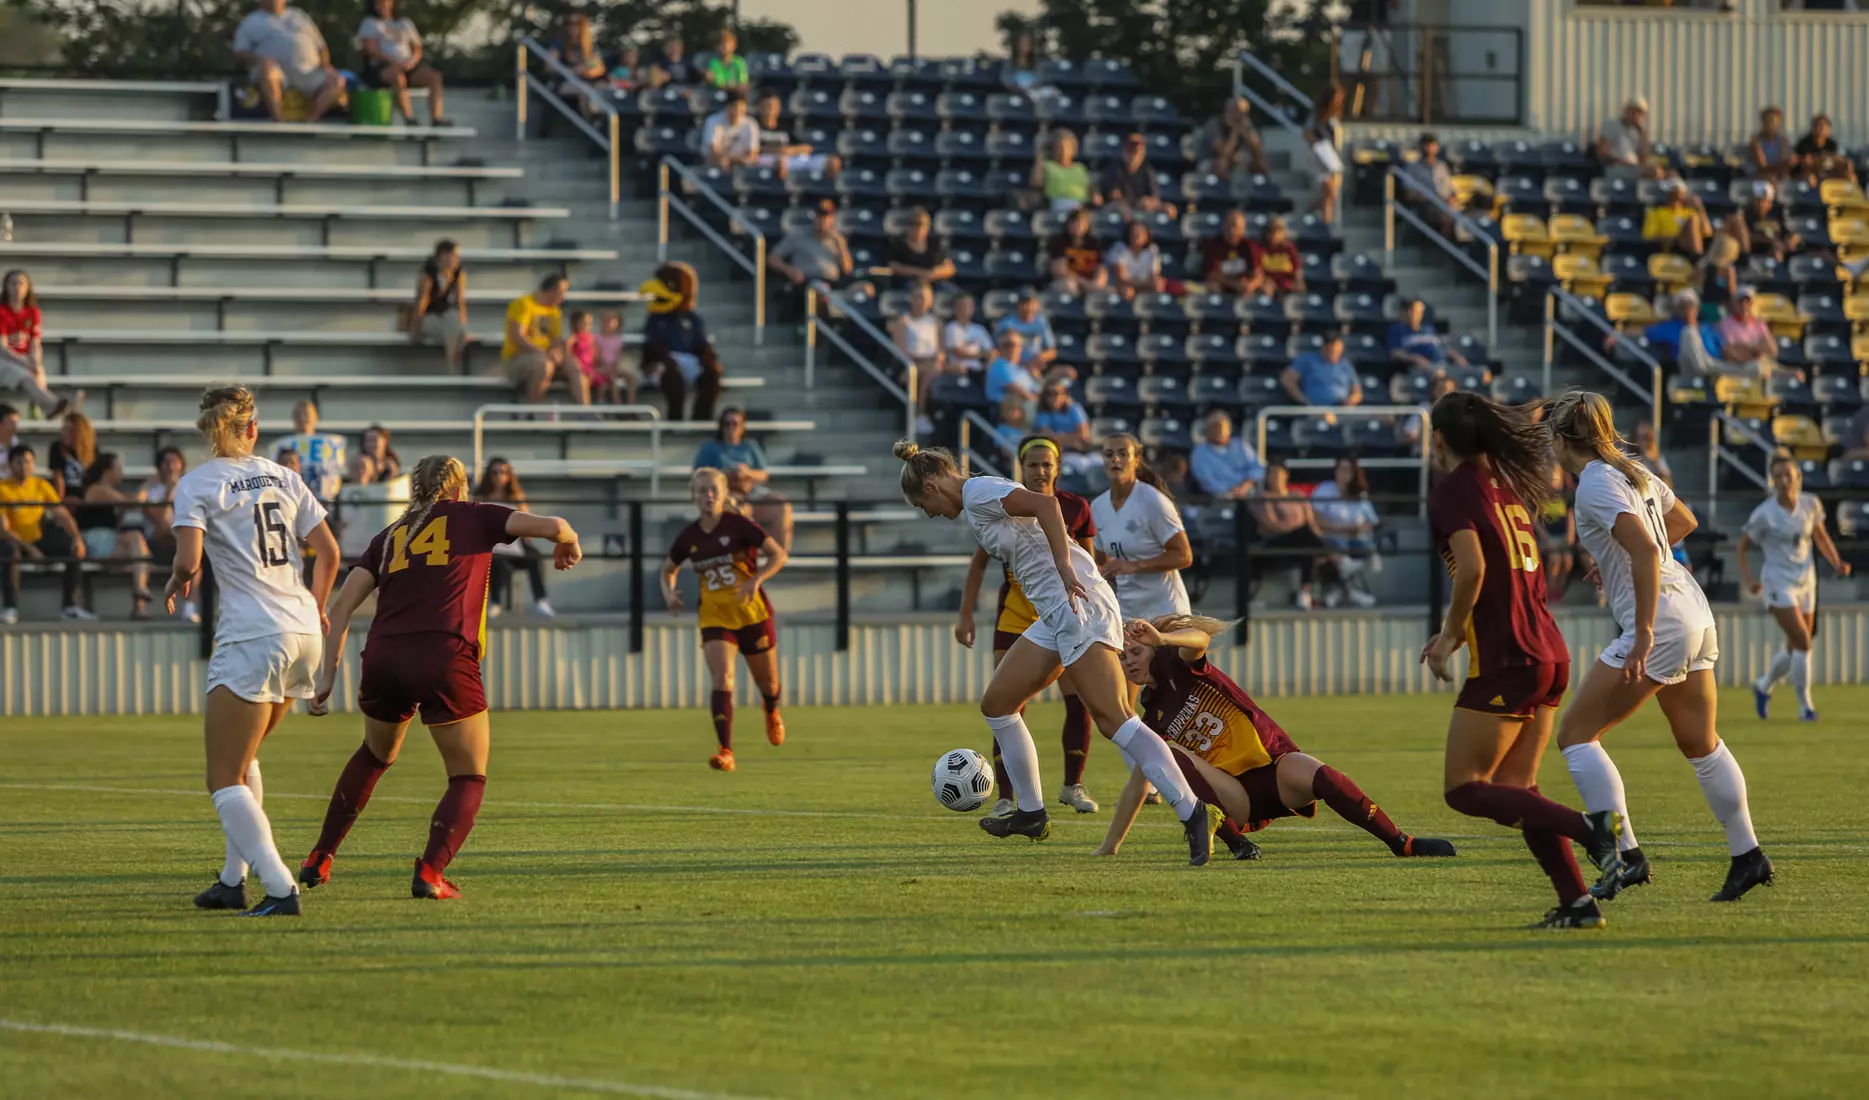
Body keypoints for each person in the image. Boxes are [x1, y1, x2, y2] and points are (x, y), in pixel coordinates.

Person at [895, 440, 1214, 860]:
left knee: (1114, 719)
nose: (929, 514)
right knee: (998, 704)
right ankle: (1031, 812)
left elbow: (1046, 506)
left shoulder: (977, 492)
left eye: (923, 506)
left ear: (931, 486)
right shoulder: (976, 500)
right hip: (1054, 614)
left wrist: (1064, 566)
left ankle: (1193, 811)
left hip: (1077, 605)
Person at [300, 455, 582, 900]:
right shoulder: (475, 515)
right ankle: (431, 872)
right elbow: (556, 525)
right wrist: (569, 543)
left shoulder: (390, 536)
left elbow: (341, 607)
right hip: (443, 654)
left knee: (374, 756)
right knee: (468, 776)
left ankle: (321, 854)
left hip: (384, 656)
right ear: (458, 487)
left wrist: (327, 676)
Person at [1547, 389, 1773, 904]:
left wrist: (1644, 631)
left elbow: (1648, 551)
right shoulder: (1632, 470)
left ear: (1562, 440)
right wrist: (1613, 558)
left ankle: (1627, 856)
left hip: (1663, 624)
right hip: (1694, 614)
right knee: (1701, 742)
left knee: (1576, 736)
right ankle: (1748, 855)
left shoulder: (1594, 484)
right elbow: (1683, 522)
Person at [1417, 391, 1623, 929]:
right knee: (1517, 791)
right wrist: (1457, 633)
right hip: (1548, 653)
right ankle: (1578, 904)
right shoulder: (1505, 487)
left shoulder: (1452, 492)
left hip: (1509, 659)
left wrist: (1448, 636)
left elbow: (1473, 569)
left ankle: (1592, 829)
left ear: (1438, 440)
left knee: (1463, 789)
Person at [166, 385, 341, 917]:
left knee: (222, 776)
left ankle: (280, 887)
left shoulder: (198, 482)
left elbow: (189, 560)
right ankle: (231, 880)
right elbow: (329, 552)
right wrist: (317, 606)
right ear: (253, 428)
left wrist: (176, 580)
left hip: (253, 633)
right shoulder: (285, 476)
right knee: (245, 761)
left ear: (207, 429)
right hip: (304, 629)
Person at [1101, 614, 1458, 861]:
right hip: (1234, 796)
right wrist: (1110, 846)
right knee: (1165, 754)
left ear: (1154, 649)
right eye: (1122, 657)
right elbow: (1140, 781)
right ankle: (1237, 844)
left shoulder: (1178, 665)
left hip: (1274, 767)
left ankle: (1401, 842)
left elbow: (1201, 639)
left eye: (1136, 651)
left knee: (1324, 776)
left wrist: (1162, 638)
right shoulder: (1152, 716)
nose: (1128, 662)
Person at [955, 437, 1102, 816]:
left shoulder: (1076, 507)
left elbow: (1091, 565)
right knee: (1006, 704)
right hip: (1017, 613)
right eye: (1032, 465)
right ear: (1022, 467)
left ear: (1058, 467)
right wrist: (966, 614)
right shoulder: (1007, 500)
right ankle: (1007, 797)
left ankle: (1072, 785)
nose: (1040, 471)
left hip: (1066, 610)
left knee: (1080, 702)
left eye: (1046, 464)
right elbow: (979, 563)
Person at [661, 468, 790, 771]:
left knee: (769, 683)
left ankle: (771, 709)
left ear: (723, 494)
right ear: (693, 497)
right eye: (701, 490)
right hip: (715, 615)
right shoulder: (690, 536)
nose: (708, 495)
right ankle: (725, 751)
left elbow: (778, 555)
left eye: (713, 490)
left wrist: (756, 580)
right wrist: (669, 593)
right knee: (723, 679)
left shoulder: (739, 526)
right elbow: (667, 570)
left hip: (751, 613)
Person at [1741, 456, 1850, 721]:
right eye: (1778, 476)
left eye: (1788, 475)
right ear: (1772, 480)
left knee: (1798, 642)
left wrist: (1836, 562)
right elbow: (1741, 547)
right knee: (1802, 640)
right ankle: (1805, 707)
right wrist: (1749, 579)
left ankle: (1764, 684)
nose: (1784, 481)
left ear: (1797, 477)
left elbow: (1820, 535)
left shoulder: (1810, 504)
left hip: (1806, 580)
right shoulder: (1764, 514)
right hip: (1777, 582)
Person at [1092, 433, 1191, 626]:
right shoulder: (1097, 506)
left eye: (1123, 454)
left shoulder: (1153, 501)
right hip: (1128, 615)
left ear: (1136, 460)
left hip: (1166, 612)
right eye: (1109, 454)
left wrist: (1134, 565)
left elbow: (1184, 556)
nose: (1115, 459)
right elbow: (1102, 562)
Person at [0, 443, 87, 623]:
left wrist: (77, 538)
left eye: (28, 462)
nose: (24, 466)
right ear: (10, 465)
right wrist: (30, 549)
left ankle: (70, 606)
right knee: (10, 552)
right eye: (19, 462)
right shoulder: (3, 488)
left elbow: (62, 514)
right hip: (14, 541)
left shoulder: (40, 485)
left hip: (38, 538)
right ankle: (10, 607)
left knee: (72, 549)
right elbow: (4, 530)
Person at [695, 406, 790, 551]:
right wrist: (724, 475)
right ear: (721, 426)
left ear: (742, 427)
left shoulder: (750, 446)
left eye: (735, 424)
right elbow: (698, 474)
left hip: (752, 492)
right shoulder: (710, 448)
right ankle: (741, 557)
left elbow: (764, 474)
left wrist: (748, 473)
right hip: (727, 494)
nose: (731, 428)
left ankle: (779, 554)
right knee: (737, 508)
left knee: (781, 505)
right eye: (727, 424)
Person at [234, 0, 343, 123]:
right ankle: (279, 121)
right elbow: (240, 51)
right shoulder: (251, 21)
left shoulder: (300, 16)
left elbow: (321, 46)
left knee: (336, 80)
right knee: (268, 70)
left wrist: (325, 65)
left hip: (308, 71)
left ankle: (310, 121)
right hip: (276, 72)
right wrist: (260, 60)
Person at [470, 457, 552, 617]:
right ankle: (495, 603)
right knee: (496, 561)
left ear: (509, 475)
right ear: (489, 475)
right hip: (493, 544)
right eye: (495, 472)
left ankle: (541, 600)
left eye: (503, 472)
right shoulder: (481, 497)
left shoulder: (516, 496)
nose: (499, 476)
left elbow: (527, 525)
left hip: (514, 542)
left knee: (534, 557)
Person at [640, 262, 722, 422]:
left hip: (689, 360)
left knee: (712, 375)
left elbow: (702, 344)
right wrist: (666, 359)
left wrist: (708, 359)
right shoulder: (656, 319)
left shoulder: (693, 319)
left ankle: (701, 419)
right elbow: (652, 346)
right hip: (664, 362)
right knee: (672, 375)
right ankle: (675, 420)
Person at [76, 453, 153, 620]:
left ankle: (140, 606)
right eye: (118, 468)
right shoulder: (97, 489)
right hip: (94, 540)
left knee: (142, 555)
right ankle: (140, 597)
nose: (121, 473)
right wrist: (147, 486)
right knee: (136, 540)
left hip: (108, 540)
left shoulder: (111, 492)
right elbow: (133, 502)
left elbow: (116, 518)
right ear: (107, 471)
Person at [1248, 461, 1333, 610]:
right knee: (1305, 534)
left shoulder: (1297, 496)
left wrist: (1322, 542)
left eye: (1277, 473)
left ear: (1286, 475)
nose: (1274, 477)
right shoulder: (1263, 498)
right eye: (1271, 473)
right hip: (1274, 542)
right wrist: (1298, 532)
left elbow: (1312, 523)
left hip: (1302, 542)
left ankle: (1304, 593)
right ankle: (1341, 564)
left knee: (1312, 550)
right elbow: (1273, 525)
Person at [355, 0, 446, 127]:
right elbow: (371, 50)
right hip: (382, 67)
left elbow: (417, 48)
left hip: (407, 65)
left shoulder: (405, 23)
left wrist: (412, 61)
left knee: (434, 77)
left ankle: (436, 119)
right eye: (379, 3)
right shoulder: (370, 23)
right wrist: (393, 61)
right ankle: (409, 119)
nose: (382, 5)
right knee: (397, 77)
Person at [1308, 455, 1380, 608]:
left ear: (1354, 473)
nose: (1342, 474)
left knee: (1366, 548)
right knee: (1335, 549)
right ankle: (1350, 590)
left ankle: (1340, 589)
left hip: (1354, 538)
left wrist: (1361, 528)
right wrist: (1340, 529)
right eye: (1340, 469)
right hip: (1330, 537)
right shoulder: (1325, 489)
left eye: (1347, 470)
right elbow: (1314, 518)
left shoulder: (1360, 494)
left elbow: (1372, 521)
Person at [0, 270, 70, 420]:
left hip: (25, 359)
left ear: (28, 288)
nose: (17, 287)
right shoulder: (2, 312)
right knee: (25, 374)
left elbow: (35, 343)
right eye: (13, 283)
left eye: (21, 283)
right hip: (5, 360)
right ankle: (52, 405)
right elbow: (2, 348)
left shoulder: (33, 312)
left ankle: (38, 407)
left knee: (39, 374)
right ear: (6, 287)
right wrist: (26, 363)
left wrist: (35, 363)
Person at [502, 274, 579, 406]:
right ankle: (533, 411)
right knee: (544, 365)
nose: (564, 296)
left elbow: (555, 339)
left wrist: (556, 352)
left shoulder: (555, 311)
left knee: (574, 365)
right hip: (517, 357)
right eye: (562, 292)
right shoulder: (524, 304)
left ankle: (585, 411)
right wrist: (542, 352)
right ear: (551, 290)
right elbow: (516, 336)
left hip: (544, 355)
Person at [142, 446, 194, 622]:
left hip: (180, 542)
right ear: (159, 466)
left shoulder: (190, 490)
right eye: (166, 462)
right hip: (157, 543)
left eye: (175, 461)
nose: (171, 466)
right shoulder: (152, 491)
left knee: (196, 553)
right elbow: (161, 523)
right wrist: (168, 493)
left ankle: (190, 607)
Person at [769, 200, 860, 296]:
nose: (822, 220)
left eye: (826, 217)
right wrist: (789, 270)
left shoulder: (837, 239)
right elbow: (772, 258)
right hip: (806, 282)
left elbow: (847, 269)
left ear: (832, 219)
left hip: (832, 283)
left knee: (862, 289)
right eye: (819, 216)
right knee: (819, 288)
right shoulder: (798, 234)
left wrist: (840, 244)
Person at [891, 281, 945, 436]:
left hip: (933, 364)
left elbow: (941, 350)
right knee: (927, 373)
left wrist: (937, 358)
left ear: (930, 301)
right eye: (917, 297)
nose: (921, 301)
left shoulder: (935, 322)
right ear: (911, 299)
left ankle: (922, 415)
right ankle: (920, 415)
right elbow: (901, 352)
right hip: (911, 366)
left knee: (931, 372)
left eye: (924, 298)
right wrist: (924, 360)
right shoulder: (903, 321)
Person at [271, 399, 346, 504]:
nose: (302, 418)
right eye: (298, 415)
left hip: (325, 502)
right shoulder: (280, 445)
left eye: (306, 414)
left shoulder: (331, 444)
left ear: (316, 417)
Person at [409, 239, 467, 369]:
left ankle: (452, 364)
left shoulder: (458, 271)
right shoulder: (428, 271)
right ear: (443, 255)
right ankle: (452, 366)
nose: (457, 259)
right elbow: (422, 299)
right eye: (454, 256)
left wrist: (463, 323)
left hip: (445, 315)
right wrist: (415, 328)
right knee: (453, 331)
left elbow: (460, 300)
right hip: (428, 316)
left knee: (455, 324)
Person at [753, 91, 839, 178]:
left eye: (774, 106)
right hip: (766, 161)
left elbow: (806, 147)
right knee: (780, 163)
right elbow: (754, 151)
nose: (771, 110)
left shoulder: (785, 127)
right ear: (759, 107)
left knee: (832, 161)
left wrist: (790, 151)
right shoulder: (753, 126)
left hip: (790, 159)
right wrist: (781, 151)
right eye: (767, 106)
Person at [1098, 133, 1175, 220]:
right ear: (1125, 151)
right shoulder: (1115, 169)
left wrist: (1149, 202)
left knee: (1169, 209)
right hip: (1123, 209)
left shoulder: (1147, 171)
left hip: (1143, 208)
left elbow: (1155, 197)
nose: (1134, 155)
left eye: (1138, 152)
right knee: (1121, 209)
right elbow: (1114, 196)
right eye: (1131, 151)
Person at [1190, 410, 1263, 499]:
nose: (1219, 431)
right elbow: (1205, 479)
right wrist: (1229, 491)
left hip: (1245, 492)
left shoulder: (1242, 446)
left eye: (1222, 428)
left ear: (1229, 429)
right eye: (1215, 428)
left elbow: (1257, 468)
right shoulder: (1200, 451)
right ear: (1208, 430)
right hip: (1217, 496)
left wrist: (1244, 487)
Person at [1716, 287, 1784, 380]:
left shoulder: (1759, 323)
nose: (1744, 306)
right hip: (1737, 366)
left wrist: (1749, 347)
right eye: (1741, 302)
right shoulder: (1726, 323)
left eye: (1747, 302)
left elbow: (1772, 350)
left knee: (1795, 375)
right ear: (1735, 304)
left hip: (1761, 363)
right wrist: (1757, 349)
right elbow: (1730, 352)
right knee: (1758, 369)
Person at [1387, 297, 1468, 372]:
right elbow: (1396, 353)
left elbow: (1443, 347)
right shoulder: (1396, 329)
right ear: (1404, 312)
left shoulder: (1429, 328)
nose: (1416, 314)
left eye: (1419, 311)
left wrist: (1457, 357)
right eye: (1412, 311)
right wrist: (1415, 359)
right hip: (1419, 368)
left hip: (1442, 365)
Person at [1401, 133, 1460, 236]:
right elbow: (1408, 193)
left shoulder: (1441, 167)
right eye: (1426, 145)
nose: (1428, 149)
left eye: (1432, 145)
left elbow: (1450, 189)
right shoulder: (1413, 168)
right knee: (1447, 218)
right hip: (1424, 205)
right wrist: (1425, 197)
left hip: (1442, 203)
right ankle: (1441, 244)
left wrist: (1450, 199)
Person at [1282, 333, 1361, 408]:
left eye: (1336, 350)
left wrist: (1350, 402)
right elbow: (1287, 379)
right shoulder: (1308, 360)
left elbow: (1357, 392)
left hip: (1340, 409)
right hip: (1314, 408)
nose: (1332, 352)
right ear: (1323, 347)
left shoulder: (1345, 365)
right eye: (1329, 349)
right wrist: (1302, 399)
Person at [1197, 96, 1267, 178]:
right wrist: (1234, 133)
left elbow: (1257, 148)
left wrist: (1247, 134)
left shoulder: (1244, 123)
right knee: (1222, 163)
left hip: (1235, 159)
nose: (1241, 116)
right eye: (1239, 112)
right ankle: (1222, 185)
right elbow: (1222, 151)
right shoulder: (1214, 124)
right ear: (1230, 110)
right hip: (1210, 159)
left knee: (1260, 163)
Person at [1305, 84, 1346, 224]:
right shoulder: (1317, 115)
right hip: (1321, 158)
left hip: (1333, 159)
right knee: (1329, 192)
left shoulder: (1335, 116)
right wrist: (1317, 145)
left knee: (1330, 196)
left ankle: (1311, 211)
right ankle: (1325, 223)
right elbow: (1307, 132)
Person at [886, 207, 956, 289]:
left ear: (927, 227)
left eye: (921, 224)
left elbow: (949, 268)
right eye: (913, 224)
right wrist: (921, 273)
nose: (918, 228)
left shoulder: (934, 244)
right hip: (909, 282)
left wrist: (932, 274)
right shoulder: (898, 244)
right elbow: (893, 266)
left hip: (934, 281)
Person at [1030, 129, 1094, 217]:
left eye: (1067, 148)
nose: (1063, 151)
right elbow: (1036, 183)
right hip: (1057, 204)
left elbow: (1089, 188)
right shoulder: (1048, 166)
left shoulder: (1080, 168)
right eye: (1059, 147)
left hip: (1079, 206)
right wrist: (1040, 157)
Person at [1047, 207, 1108, 295]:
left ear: (1087, 225)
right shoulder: (1059, 241)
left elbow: (1100, 268)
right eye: (1073, 222)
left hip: (1089, 282)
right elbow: (1059, 270)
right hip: (1067, 282)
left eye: (1081, 222)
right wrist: (1085, 283)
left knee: (1109, 290)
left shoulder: (1093, 243)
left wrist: (1098, 282)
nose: (1077, 226)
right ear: (1067, 225)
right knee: (1068, 285)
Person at [1537, 465, 1577, 601]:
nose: (1553, 480)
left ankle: (1558, 591)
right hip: (1547, 538)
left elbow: (1570, 517)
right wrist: (1544, 536)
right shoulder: (1540, 497)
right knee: (1555, 559)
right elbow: (1534, 519)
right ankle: (1550, 590)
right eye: (1550, 478)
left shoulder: (1566, 496)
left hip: (1562, 538)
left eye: (1556, 477)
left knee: (1567, 560)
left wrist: (1570, 536)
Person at [1643, 178, 1709, 259]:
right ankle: (1697, 258)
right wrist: (1676, 238)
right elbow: (1649, 237)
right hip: (1672, 246)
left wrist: (1699, 208)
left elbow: (1707, 233)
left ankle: (1696, 256)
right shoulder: (1656, 212)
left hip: (1689, 247)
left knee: (1693, 219)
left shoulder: (1690, 212)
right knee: (1692, 220)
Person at [1201, 210, 1261, 296]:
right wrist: (1234, 284)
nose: (1232, 231)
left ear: (1243, 229)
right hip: (1224, 285)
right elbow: (1212, 274)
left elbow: (1258, 273)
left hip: (1244, 286)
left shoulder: (1249, 246)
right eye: (1229, 226)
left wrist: (1251, 285)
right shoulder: (1214, 245)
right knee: (1212, 286)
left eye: (1236, 228)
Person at [992, 291, 1057, 372]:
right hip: (1011, 367)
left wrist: (1041, 357)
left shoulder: (1041, 323)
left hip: (1034, 367)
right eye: (1024, 304)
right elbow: (995, 350)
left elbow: (1052, 352)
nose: (1028, 308)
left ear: (1036, 305)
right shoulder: (1006, 323)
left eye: (1031, 304)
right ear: (1018, 305)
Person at [701, 88, 760, 171]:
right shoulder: (713, 121)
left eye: (741, 107)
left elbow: (753, 153)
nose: (737, 111)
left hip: (741, 163)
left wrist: (734, 160)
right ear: (727, 107)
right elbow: (714, 151)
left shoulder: (751, 124)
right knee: (722, 161)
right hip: (717, 163)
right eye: (734, 106)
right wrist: (729, 159)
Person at [1103, 220, 1165, 298]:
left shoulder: (1152, 250)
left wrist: (1152, 283)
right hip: (1121, 287)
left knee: (1158, 286)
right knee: (1127, 291)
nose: (1138, 235)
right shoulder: (1119, 248)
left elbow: (1154, 276)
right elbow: (1122, 278)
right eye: (1134, 232)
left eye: (1141, 232)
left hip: (1143, 287)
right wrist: (1147, 283)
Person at [1595, 96, 1653, 180]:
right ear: (1626, 110)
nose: (1636, 115)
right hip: (1616, 168)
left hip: (1634, 168)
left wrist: (1642, 134)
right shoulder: (1611, 124)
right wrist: (1620, 162)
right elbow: (1601, 153)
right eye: (1633, 112)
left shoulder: (1637, 132)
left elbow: (1645, 158)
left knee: (1668, 174)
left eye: (1639, 113)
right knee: (1653, 173)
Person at [45, 410, 95, 507]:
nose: (64, 433)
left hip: (86, 495)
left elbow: (94, 480)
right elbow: (58, 478)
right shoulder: (57, 448)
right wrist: (60, 503)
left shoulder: (92, 449)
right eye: (64, 429)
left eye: (70, 430)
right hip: (67, 494)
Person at [1249, 216, 1304, 295]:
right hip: (1268, 284)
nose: (1274, 235)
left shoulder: (1289, 248)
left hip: (1287, 285)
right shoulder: (1260, 249)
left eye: (1278, 232)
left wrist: (1299, 283)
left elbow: (1297, 270)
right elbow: (1257, 272)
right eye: (1271, 232)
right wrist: (1265, 280)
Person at [942, 293, 994, 377]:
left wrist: (987, 363)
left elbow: (991, 351)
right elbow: (959, 353)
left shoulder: (980, 329)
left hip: (978, 372)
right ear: (955, 308)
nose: (966, 309)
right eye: (963, 306)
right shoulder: (951, 328)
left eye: (969, 306)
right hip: (957, 371)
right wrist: (984, 354)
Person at [1794, 114, 1855, 185]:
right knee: (1810, 178)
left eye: (1823, 126)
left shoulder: (1833, 144)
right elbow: (1803, 164)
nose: (1820, 129)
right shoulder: (1804, 143)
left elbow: (1840, 160)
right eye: (1817, 125)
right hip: (1811, 174)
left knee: (1849, 176)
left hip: (1829, 172)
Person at [1033, 380, 1091, 453]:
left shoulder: (1075, 409)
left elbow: (1084, 436)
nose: (1053, 397)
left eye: (1056, 393)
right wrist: (1073, 439)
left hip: (1079, 451)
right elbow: (1048, 438)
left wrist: (1061, 438)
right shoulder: (1042, 414)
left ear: (1065, 395)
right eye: (1048, 394)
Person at [593, 311, 637, 405]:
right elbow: (597, 356)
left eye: (610, 321)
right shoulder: (597, 338)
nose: (607, 324)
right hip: (602, 368)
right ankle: (618, 406)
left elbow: (618, 356)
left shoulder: (617, 339)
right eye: (605, 321)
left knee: (631, 378)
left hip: (614, 367)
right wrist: (606, 366)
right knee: (614, 381)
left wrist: (614, 367)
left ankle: (631, 405)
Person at [983, 331, 1039, 405]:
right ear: (1000, 347)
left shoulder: (1020, 369)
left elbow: (1036, 390)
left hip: (1025, 405)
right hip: (1005, 407)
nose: (1008, 348)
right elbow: (1019, 392)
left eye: (1012, 345)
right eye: (1006, 345)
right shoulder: (999, 366)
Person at [1748, 107, 1795, 182]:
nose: (1770, 124)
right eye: (1767, 120)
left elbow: (1785, 163)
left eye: (1773, 121)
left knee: (1787, 179)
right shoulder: (1756, 141)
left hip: (1778, 175)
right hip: (1758, 175)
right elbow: (1762, 166)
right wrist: (1780, 166)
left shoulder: (1783, 141)